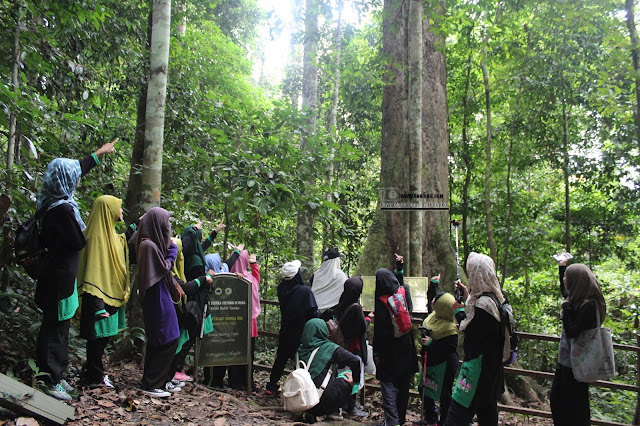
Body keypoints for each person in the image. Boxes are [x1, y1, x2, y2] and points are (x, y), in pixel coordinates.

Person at [35, 140, 116, 401]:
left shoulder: (51, 203)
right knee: (55, 331)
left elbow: (71, 169)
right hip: (59, 281)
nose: (78, 179)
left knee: (58, 329)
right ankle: (50, 379)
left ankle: (56, 376)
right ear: (66, 180)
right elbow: (79, 241)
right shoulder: (63, 210)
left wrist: (97, 154)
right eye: (75, 177)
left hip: (58, 279)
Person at [76, 195, 135, 389]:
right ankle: (94, 377)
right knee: (96, 340)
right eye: (118, 208)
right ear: (108, 210)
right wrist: (98, 306)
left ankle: (93, 373)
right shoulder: (94, 238)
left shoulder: (109, 235)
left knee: (102, 339)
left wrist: (135, 226)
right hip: (97, 300)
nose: (121, 212)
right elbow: (93, 272)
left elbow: (121, 241)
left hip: (109, 298)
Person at [444, 252, 510, 426]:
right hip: (492, 371)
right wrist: (467, 297)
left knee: (455, 415)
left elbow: (474, 333)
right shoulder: (497, 299)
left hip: (476, 372)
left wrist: (458, 312)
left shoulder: (484, 305)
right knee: (487, 413)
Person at [550, 256, 606, 425]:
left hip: (578, 366)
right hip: (567, 363)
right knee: (558, 401)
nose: (565, 279)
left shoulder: (589, 305)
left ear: (576, 281)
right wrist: (562, 267)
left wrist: (566, 310)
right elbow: (565, 291)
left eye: (568, 277)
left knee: (575, 408)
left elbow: (573, 331)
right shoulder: (578, 300)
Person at [136, 207, 181, 398]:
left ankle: (157, 381)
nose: (168, 227)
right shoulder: (148, 246)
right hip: (156, 296)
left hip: (160, 294)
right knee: (166, 338)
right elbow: (164, 267)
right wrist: (172, 252)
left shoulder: (152, 244)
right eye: (166, 222)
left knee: (165, 338)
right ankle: (152, 383)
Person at [265, 260, 318, 395]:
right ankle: (301, 388)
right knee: (301, 361)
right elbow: (312, 310)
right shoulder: (305, 291)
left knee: (281, 358)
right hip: (301, 332)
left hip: (286, 329)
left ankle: (271, 385)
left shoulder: (281, 288)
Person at [374, 268, 418, 426]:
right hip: (407, 349)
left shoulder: (381, 300)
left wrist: (377, 353)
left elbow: (380, 331)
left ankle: (392, 421)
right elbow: (410, 313)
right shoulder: (403, 291)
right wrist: (400, 268)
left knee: (388, 386)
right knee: (404, 386)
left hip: (389, 352)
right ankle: (400, 419)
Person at [297, 318, 361, 424]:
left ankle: (314, 412)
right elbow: (355, 361)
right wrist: (355, 382)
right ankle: (337, 410)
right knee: (345, 377)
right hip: (324, 398)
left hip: (304, 400)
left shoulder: (300, 350)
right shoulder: (329, 348)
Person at [169, 238, 215, 383]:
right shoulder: (191, 262)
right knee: (185, 340)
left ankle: (173, 371)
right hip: (189, 305)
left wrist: (214, 234)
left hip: (186, 304)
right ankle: (173, 371)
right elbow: (186, 288)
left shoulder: (186, 260)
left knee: (185, 340)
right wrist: (204, 279)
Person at [417, 291, 459, 426]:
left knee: (444, 394)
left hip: (444, 364)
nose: (433, 301)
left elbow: (451, 348)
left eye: (437, 300)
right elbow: (430, 302)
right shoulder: (433, 317)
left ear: (442, 306)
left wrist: (432, 344)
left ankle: (445, 421)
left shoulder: (450, 327)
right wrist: (432, 286)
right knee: (424, 388)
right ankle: (430, 416)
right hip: (430, 361)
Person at [334, 276, 371, 418]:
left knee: (343, 375)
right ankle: (351, 407)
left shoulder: (341, 303)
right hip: (354, 348)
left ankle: (342, 404)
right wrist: (368, 319)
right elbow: (362, 328)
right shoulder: (356, 308)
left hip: (341, 346)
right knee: (355, 376)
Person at [225, 250, 260, 390]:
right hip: (249, 323)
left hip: (233, 323)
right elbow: (257, 278)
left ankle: (236, 382)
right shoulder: (249, 279)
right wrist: (254, 264)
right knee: (247, 354)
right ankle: (247, 382)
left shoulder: (227, 278)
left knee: (234, 352)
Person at [310, 248, 347, 320]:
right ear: (336, 261)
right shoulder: (340, 275)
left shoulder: (317, 274)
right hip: (332, 316)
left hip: (314, 313)